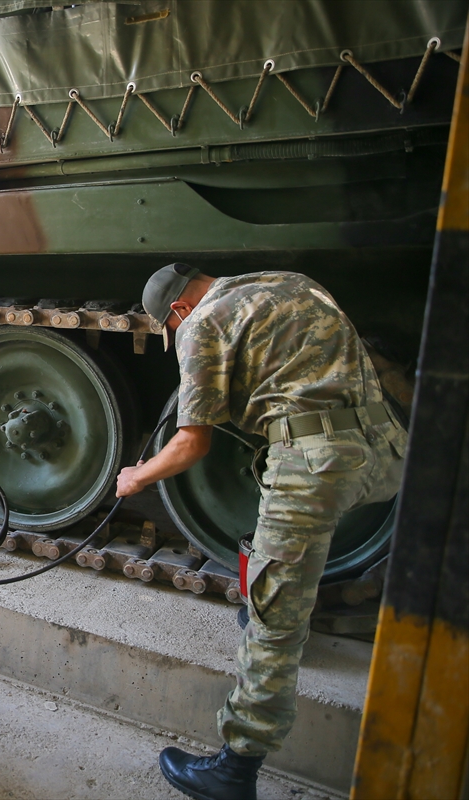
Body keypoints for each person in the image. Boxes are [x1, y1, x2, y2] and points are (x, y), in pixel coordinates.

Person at [118, 264, 407, 800]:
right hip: (386, 456)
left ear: (177, 312)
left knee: (274, 619)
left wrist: (138, 475)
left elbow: (191, 446)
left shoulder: (200, 323)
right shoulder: (290, 281)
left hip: (317, 464)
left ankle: (235, 770)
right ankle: (283, 590)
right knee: (280, 539)